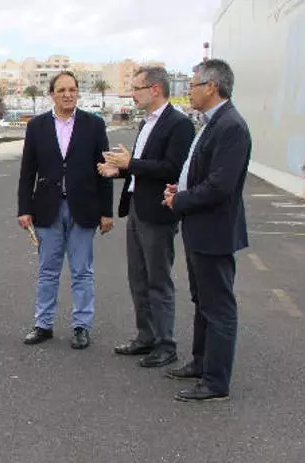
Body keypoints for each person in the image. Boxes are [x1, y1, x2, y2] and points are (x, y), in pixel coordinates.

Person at [162, 59, 251, 402]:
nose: (189, 91)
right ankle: (201, 363)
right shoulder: (212, 123)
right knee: (202, 301)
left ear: (211, 87)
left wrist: (180, 200)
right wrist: (181, 190)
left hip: (214, 232)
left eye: (193, 85)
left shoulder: (231, 126)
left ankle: (216, 381)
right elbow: (203, 173)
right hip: (200, 228)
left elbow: (219, 186)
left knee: (218, 307)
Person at [99, 67, 196, 367]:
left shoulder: (179, 124)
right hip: (137, 209)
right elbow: (142, 167)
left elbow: (173, 169)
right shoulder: (145, 123)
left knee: (158, 280)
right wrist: (120, 170)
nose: (132, 93)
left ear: (155, 89)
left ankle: (166, 345)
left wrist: (131, 163)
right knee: (138, 279)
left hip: (158, 213)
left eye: (137, 88)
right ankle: (146, 336)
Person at [17, 71, 114, 350]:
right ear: (52, 94)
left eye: (72, 89)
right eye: (61, 90)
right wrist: (24, 208)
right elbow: (27, 171)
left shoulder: (93, 124)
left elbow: (104, 170)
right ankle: (43, 324)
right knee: (48, 270)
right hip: (47, 209)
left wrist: (106, 212)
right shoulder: (36, 126)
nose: (68, 94)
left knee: (82, 271)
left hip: (84, 208)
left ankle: (81, 326)